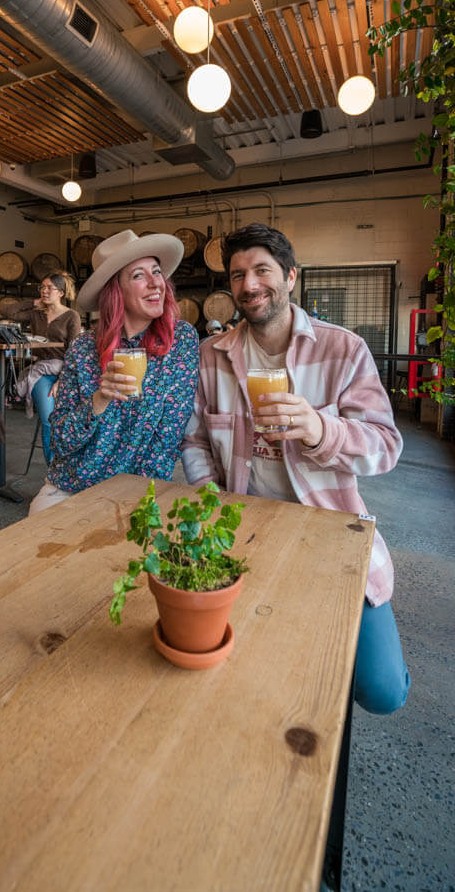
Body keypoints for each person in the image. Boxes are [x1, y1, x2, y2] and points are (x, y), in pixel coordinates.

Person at [181, 223, 410, 715]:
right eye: (238, 275)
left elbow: (386, 447)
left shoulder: (343, 349)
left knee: (382, 690)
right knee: (238, 670)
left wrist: (319, 429)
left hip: (328, 529)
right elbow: (194, 439)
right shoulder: (211, 356)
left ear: (290, 277)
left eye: (262, 270)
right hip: (242, 528)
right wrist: (210, 495)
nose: (249, 285)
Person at [29, 230, 199, 515]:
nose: (156, 282)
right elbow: (60, 439)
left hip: (141, 491)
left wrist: (130, 498)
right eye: (138, 275)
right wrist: (97, 401)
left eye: (156, 272)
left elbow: (168, 437)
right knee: (31, 545)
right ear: (115, 290)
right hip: (73, 486)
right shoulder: (84, 349)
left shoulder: (180, 341)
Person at [12, 272, 81, 466]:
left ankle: (72, 463)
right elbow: (7, 311)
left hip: (65, 373)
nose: (44, 290)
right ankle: (53, 469)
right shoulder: (36, 313)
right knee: (49, 419)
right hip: (42, 372)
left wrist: (62, 381)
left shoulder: (71, 316)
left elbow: (75, 352)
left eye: (49, 287)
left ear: (61, 292)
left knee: (73, 420)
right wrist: (33, 303)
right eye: (42, 287)